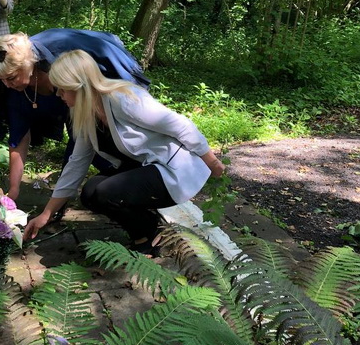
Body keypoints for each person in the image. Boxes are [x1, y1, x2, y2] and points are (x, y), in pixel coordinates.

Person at [21, 50, 225, 255]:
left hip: (173, 169)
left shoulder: (123, 100)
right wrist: (46, 214)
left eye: (62, 89)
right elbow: (77, 163)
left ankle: (147, 236)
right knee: (91, 192)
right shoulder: (85, 113)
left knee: (106, 193)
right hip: (147, 167)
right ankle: (148, 225)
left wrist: (212, 163)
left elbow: (180, 125)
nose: (58, 95)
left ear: (79, 87)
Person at [0, 30, 151, 201]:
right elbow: (18, 138)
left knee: (104, 150)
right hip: (78, 116)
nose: (6, 84)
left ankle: (142, 187)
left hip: (98, 101)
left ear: (27, 64)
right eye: (1, 79)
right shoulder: (13, 89)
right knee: (82, 156)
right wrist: (13, 190)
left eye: (11, 78)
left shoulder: (61, 68)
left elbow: (81, 143)